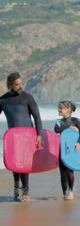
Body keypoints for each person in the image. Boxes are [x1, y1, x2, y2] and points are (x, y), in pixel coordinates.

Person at [0, 72, 43, 202]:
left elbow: (37, 117)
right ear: (10, 85)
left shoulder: (27, 98)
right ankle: (15, 188)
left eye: (21, 84)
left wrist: (39, 134)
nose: (20, 86)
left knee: (24, 164)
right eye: (17, 84)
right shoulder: (2, 100)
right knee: (14, 165)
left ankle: (25, 191)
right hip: (13, 138)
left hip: (27, 136)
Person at [54, 100, 80, 201]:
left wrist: (78, 143)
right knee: (62, 172)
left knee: (70, 171)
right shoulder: (59, 122)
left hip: (70, 150)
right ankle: (64, 193)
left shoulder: (75, 120)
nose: (59, 110)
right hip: (61, 149)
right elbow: (56, 130)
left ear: (67, 110)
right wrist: (69, 127)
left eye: (61, 108)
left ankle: (71, 191)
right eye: (59, 108)